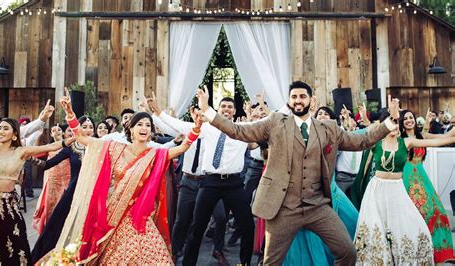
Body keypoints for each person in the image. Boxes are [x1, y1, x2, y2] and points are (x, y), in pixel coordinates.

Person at [198, 81, 399, 265]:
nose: (298, 100)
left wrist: (389, 123)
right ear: (289, 100)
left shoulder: (328, 128)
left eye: (302, 96)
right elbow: (238, 131)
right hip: (284, 208)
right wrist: (207, 111)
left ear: (311, 100)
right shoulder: (275, 122)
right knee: (271, 262)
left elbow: (360, 141)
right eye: (294, 97)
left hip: (318, 206)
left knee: (347, 252)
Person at [42, 88, 202, 264]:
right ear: (131, 129)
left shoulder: (155, 153)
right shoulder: (114, 148)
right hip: (113, 214)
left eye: (148, 125)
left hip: (139, 216)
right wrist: (70, 113)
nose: (144, 128)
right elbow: (81, 138)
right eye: (139, 124)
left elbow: (183, 147)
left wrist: (196, 128)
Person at [152, 94, 255, 265]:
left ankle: (244, 263)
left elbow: (263, 130)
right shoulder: (206, 128)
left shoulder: (242, 129)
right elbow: (179, 126)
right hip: (210, 183)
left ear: (235, 111)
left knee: (248, 227)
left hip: (234, 184)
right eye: (223, 107)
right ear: (218, 110)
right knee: (197, 227)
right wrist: (158, 112)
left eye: (230, 107)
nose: (226, 110)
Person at [354, 111, 455, 264]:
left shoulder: (406, 142)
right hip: (377, 191)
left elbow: (436, 142)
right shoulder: (376, 142)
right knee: (376, 230)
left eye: (396, 122)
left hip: (397, 189)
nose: (395, 125)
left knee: (415, 225)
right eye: (391, 122)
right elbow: (361, 135)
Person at [0, 118, 74, 265]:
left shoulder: (21, 151)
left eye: (6, 128)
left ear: (14, 135)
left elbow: (49, 147)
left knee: (13, 241)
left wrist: (68, 140)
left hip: (7, 204)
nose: (1, 131)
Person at [150, 104, 228, 264]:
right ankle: (175, 251)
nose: (199, 115)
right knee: (181, 220)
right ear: (192, 114)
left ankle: (218, 250)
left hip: (209, 183)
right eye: (196, 112)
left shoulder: (213, 132)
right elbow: (168, 126)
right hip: (189, 182)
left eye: (202, 112)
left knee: (221, 217)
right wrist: (157, 113)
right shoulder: (186, 129)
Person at [283, 106, 359, 265]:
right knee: (313, 233)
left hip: (332, 189)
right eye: (320, 113)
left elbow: (357, 138)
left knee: (354, 220)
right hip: (310, 191)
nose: (323, 115)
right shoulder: (305, 134)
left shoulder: (335, 133)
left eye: (326, 113)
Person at [31, 116, 96, 262]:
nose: (88, 130)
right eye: (84, 126)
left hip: (95, 192)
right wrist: (29, 158)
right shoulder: (71, 148)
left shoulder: (101, 147)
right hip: (74, 193)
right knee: (61, 227)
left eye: (91, 127)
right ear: (77, 129)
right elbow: (47, 164)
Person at [399, 109, 455, 263]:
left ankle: (441, 253)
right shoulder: (399, 138)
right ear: (401, 122)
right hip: (406, 179)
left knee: (437, 210)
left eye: (411, 117)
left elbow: (445, 137)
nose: (409, 120)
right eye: (406, 118)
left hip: (422, 178)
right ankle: (419, 255)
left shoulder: (420, 136)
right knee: (418, 215)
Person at [32, 125, 72, 234]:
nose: (56, 131)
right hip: (53, 181)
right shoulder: (49, 147)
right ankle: (49, 232)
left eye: (59, 129)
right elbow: (35, 154)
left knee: (65, 207)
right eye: (53, 130)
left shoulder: (69, 146)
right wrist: (38, 136)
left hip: (67, 180)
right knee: (51, 207)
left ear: (63, 133)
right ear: (51, 134)